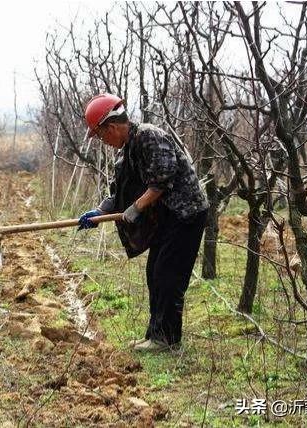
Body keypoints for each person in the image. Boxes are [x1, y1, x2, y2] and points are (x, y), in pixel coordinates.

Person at [78, 93, 209, 352]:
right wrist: (99, 212)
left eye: (102, 136)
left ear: (112, 127)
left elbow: (163, 180)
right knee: (155, 274)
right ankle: (155, 335)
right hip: (167, 218)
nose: (104, 142)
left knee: (168, 275)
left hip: (186, 214)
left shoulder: (149, 136)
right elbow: (119, 192)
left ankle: (167, 340)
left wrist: (136, 208)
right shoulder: (125, 152)